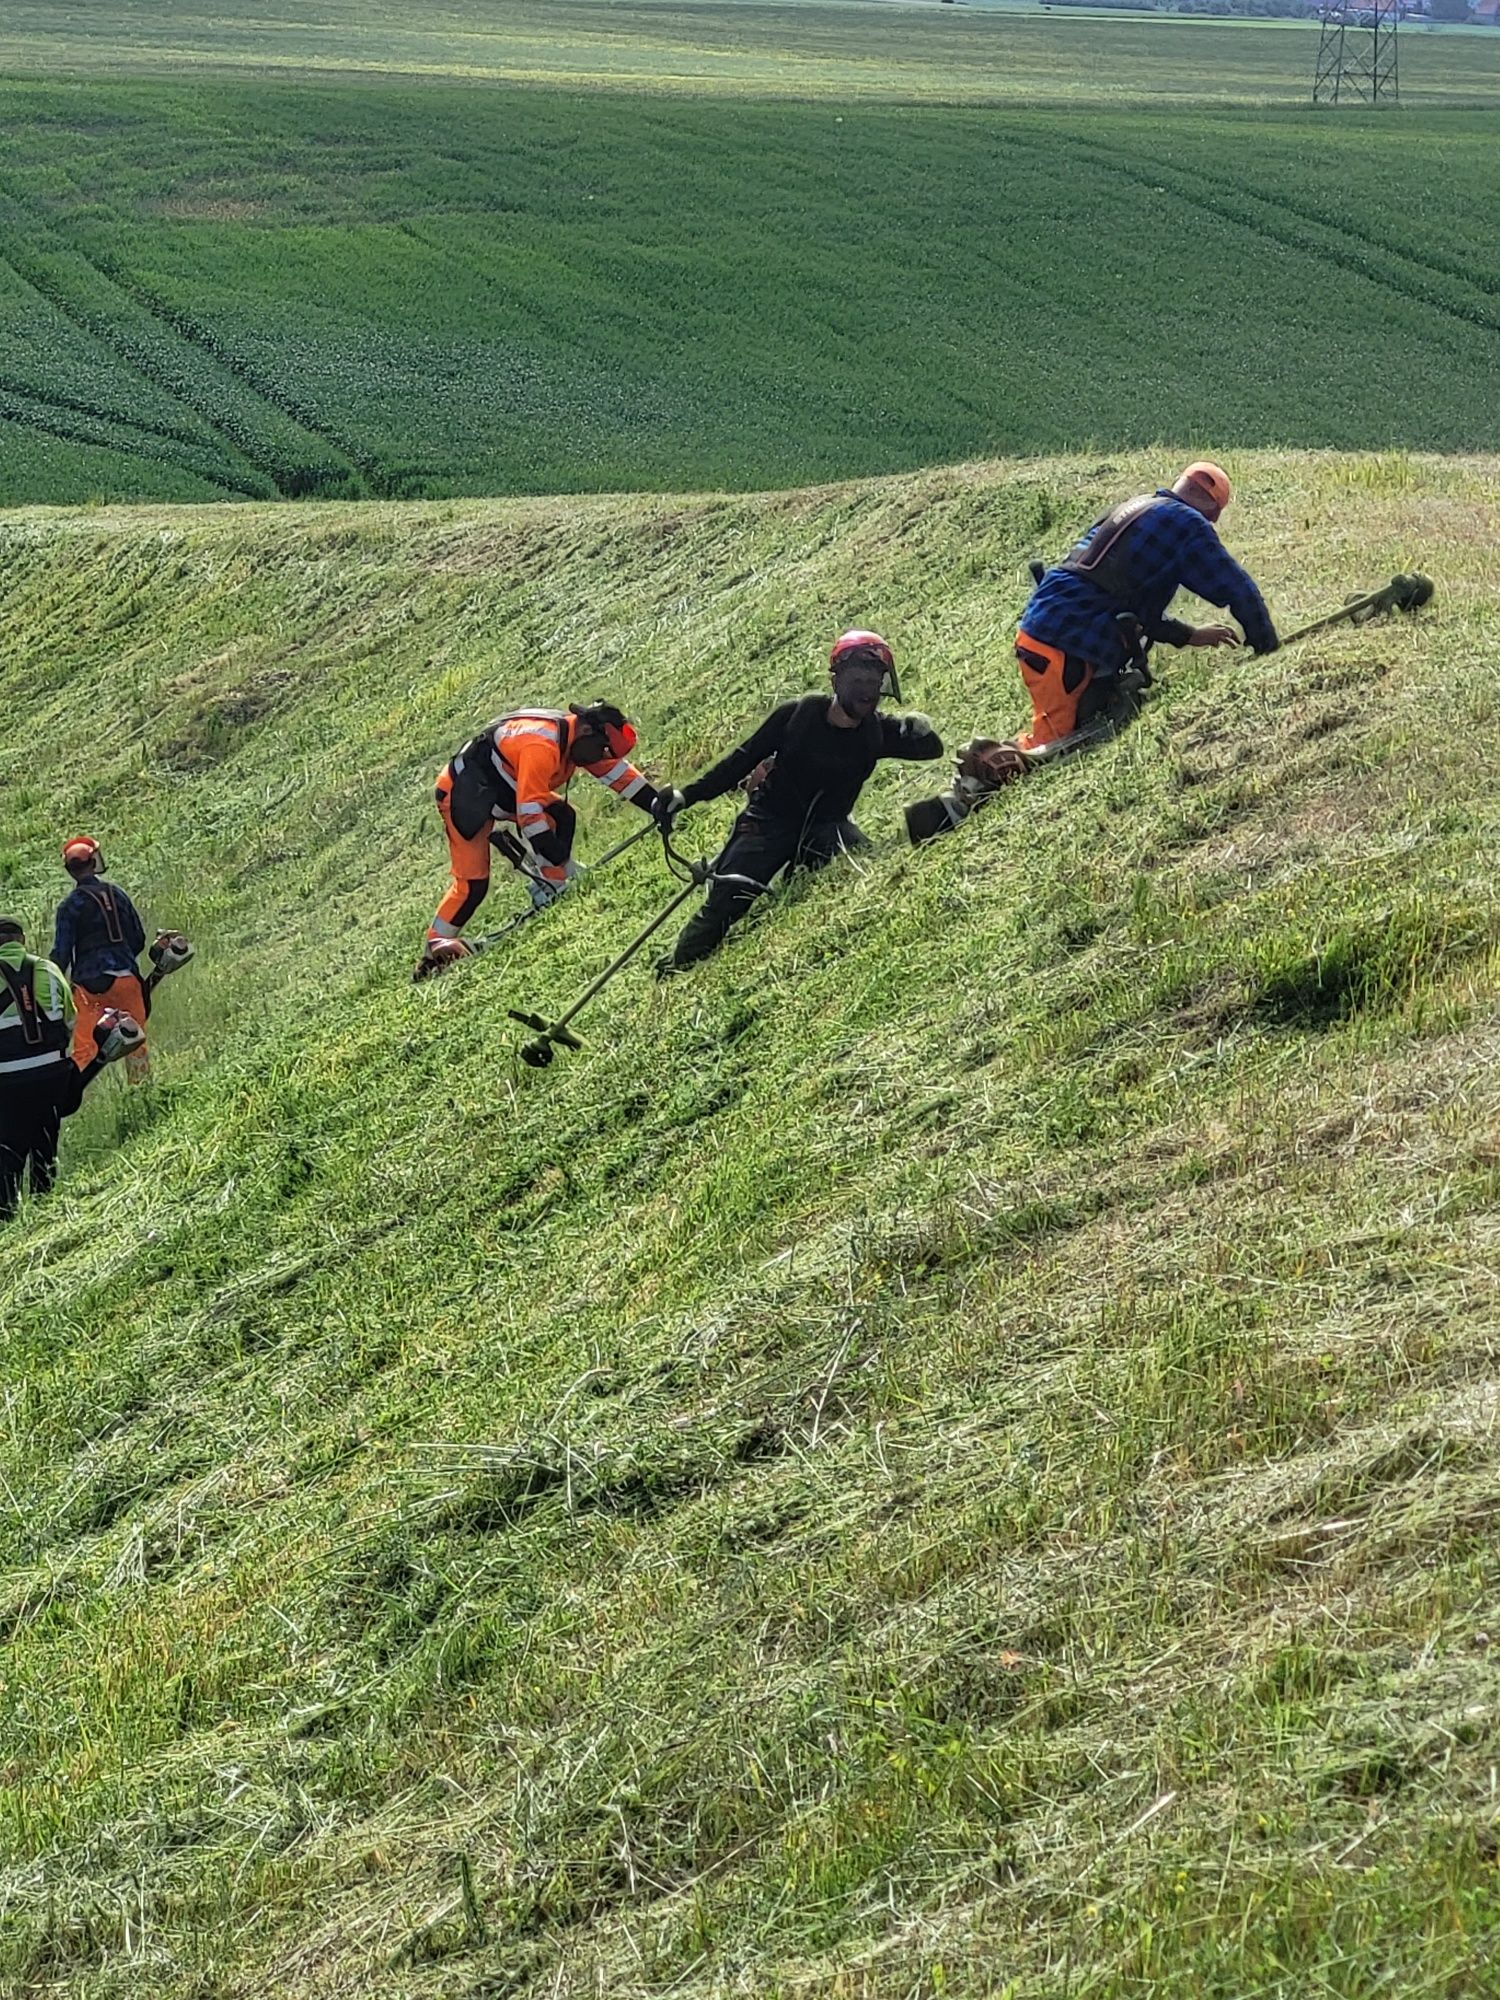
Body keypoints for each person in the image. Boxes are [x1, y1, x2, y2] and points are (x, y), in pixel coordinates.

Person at [654, 630, 943, 974]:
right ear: (837, 680)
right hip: (766, 824)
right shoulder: (797, 716)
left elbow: (932, 750)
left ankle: (795, 873)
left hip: (827, 829)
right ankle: (675, 967)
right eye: (858, 679)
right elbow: (739, 762)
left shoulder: (876, 731)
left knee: (862, 862)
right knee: (727, 902)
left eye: (874, 681)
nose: (867, 690)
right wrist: (686, 796)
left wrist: (918, 728)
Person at [1012, 460, 1279, 754]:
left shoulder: (1137, 507)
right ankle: (976, 781)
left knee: (1072, 728)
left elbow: (1126, 600)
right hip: (1064, 641)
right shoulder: (1187, 523)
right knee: (1052, 748)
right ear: (1214, 512)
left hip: (1048, 626)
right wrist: (1266, 644)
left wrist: (1190, 635)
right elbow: (1234, 586)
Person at [417, 700, 667, 977]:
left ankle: (551, 886)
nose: (603, 757)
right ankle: (434, 952)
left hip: (502, 789)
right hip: (463, 794)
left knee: (560, 815)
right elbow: (529, 816)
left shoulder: (579, 742)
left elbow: (620, 777)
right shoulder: (542, 746)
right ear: (586, 732)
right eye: (603, 750)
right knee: (473, 884)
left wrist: (659, 806)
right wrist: (567, 865)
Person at [0, 915, 141, 1220]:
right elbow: (69, 1021)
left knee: (7, 1156)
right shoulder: (48, 970)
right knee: (44, 1148)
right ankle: (44, 1212)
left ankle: (7, 1221)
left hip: (6, 1083)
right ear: (21, 941)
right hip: (52, 1077)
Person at [51, 836, 153, 1081]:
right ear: (93, 862)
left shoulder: (70, 906)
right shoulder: (117, 895)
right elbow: (138, 938)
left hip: (90, 989)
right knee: (135, 1042)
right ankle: (142, 1093)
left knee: (85, 1050)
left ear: (70, 870)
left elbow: (61, 955)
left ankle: (79, 1098)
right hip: (127, 981)